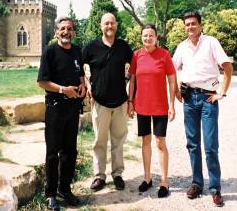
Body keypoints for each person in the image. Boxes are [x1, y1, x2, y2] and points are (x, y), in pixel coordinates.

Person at [172, 11, 233, 207]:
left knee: (210, 146)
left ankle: (215, 187)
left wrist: (222, 92)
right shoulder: (181, 47)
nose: (190, 27)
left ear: (200, 25)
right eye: (187, 24)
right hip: (189, 99)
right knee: (192, 144)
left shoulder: (211, 42)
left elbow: (227, 66)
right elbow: (170, 70)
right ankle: (197, 183)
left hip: (208, 98)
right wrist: (176, 92)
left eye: (193, 24)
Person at [37, 16, 86, 211]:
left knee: (70, 152)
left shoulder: (76, 51)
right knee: (52, 153)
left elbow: (80, 73)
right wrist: (62, 90)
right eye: (62, 29)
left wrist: (82, 86)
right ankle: (50, 195)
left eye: (70, 28)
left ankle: (64, 189)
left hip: (73, 108)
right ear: (57, 32)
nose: (66, 32)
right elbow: (42, 82)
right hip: (55, 108)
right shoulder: (49, 51)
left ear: (73, 32)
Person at [82, 12, 133, 192]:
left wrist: (130, 96)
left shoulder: (124, 47)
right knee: (99, 141)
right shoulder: (91, 47)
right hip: (100, 102)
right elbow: (79, 66)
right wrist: (87, 84)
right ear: (101, 26)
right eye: (106, 24)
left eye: (112, 23)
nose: (109, 26)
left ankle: (117, 174)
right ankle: (99, 176)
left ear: (116, 25)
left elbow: (133, 70)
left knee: (118, 141)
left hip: (120, 102)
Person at [127, 24, 177, 198]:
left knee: (160, 142)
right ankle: (147, 178)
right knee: (145, 141)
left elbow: (172, 81)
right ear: (141, 37)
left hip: (160, 106)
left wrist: (172, 105)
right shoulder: (136, 55)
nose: (148, 38)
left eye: (151, 36)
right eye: (145, 35)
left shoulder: (164, 55)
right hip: (141, 105)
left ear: (156, 38)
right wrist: (130, 102)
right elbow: (132, 81)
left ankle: (164, 181)